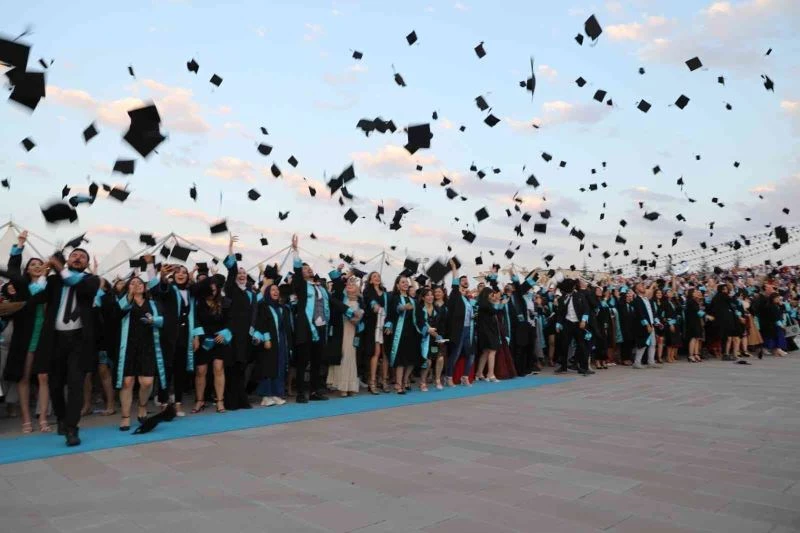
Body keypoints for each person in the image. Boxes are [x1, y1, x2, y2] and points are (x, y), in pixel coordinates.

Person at [37, 247, 101, 446]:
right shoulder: (55, 281)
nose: (78, 258)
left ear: (86, 263)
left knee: (75, 385)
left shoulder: (91, 280)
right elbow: (36, 293)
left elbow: (79, 287)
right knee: (55, 385)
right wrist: (45, 272)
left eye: (82, 257)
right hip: (55, 340)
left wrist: (59, 268)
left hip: (78, 341)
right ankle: (62, 418)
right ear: (67, 260)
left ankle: (72, 428)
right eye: (74, 255)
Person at [3, 231, 51, 434]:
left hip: (45, 336)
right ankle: (26, 418)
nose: (37, 266)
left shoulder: (50, 285)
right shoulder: (22, 286)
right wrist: (20, 244)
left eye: (39, 264)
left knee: (43, 378)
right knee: (23, 377)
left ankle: (42, 418)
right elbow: (13, 268)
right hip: (25, 337)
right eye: (32, 264)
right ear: (27, 270)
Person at [111, 275, 166, 431]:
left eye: (140, 283)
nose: (137, 285)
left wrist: (153, 320)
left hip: (148, 346)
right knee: (127, 382)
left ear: (145, 287)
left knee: (147, 382)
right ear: (127, 287)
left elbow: (162, 320)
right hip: (127, 346)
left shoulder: (153, 303)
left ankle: (142, 406)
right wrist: (129, 296)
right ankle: (125, 416)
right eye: (133, 283)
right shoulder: (124, 302)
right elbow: (116, 315)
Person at [290, 234, 331, 403]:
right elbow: (298, 272)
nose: (308, 270)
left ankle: (314, 391)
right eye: (305, 269)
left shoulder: (320, 287)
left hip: (320, 328)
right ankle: (301, 393)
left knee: (317, 361)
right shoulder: (300, 286)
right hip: (305, 328)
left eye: (309, 269)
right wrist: (296, 251)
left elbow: (329, 304)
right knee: (302, 361)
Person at [192, 275, 231, 414]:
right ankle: (199, 400)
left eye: (214, 290)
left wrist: (225, 334)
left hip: (219, 338)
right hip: (203, 339)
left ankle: (220, 401)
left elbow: (231, 321)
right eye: (210, 290)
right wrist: (196, 336)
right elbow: (195, 320)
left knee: (218, 368)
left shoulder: (225, 302)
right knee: (201, 371)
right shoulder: (198, 303)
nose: (212, 293)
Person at [326, 271, 364, 397]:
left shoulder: (360, 302)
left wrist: (356, 317)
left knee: (349, 357)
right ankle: (341, 386)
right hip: (339, 331)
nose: (350, 284)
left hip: (352, 332)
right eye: (348, 283)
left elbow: (359, 318)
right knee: (341, 357)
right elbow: (334, 295)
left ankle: (350, 385)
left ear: (357, 289)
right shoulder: (341, 299)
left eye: (353, 284)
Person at [445, 261, 476, 386]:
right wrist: (454, 268)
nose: (464, 284)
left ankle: (465, 376)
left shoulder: (468, 300)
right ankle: (448, 376)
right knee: (456, 354)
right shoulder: (456, 296)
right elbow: (455, 282)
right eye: (462, 282)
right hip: (460, 330)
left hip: (469, 329)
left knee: (471, 354)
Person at [362, 271, 389, 394]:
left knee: (385, 354)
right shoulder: (367, 291)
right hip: (373, 325)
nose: (377, 278)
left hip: (384, 325)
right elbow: (370, 301)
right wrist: (375, 306)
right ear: (370, 280)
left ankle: (383, 380)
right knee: (376, 352)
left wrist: (389, 323)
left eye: (379, 276)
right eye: (374, 277)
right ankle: (371, 381)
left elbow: (390, 309)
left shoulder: (385, 292)